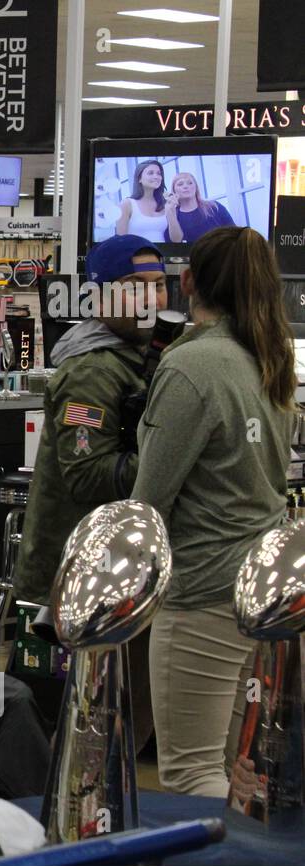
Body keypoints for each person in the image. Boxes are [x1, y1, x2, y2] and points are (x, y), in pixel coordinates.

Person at [133, 226, 295, 797]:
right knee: (235, 773)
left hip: (202, 590)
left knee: (191, 772)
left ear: (187, 283)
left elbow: (148, 502)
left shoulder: (192, 367)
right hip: (261, 589)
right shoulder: (270, 362)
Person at [12, 233, 168, 749]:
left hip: (106, 579)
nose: (152, 298)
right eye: (135, 287)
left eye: (159, 285)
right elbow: (86, 474)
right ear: (101, 298)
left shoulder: (136, 358)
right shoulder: (93, 370)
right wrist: (163, 460)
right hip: (69, 586)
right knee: (71, 742)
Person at [166, 172, 235, 244]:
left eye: (190, 183)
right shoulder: (173, 214)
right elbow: (174, 242)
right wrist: (171, 212)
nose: (186, 186)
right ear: (174, 191)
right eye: (180, 184)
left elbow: (234, 232)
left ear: (196, 187)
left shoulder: (214, 207)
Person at [115, 160, 170, 245]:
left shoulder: (165, 204)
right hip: (135, 255)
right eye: (150, 173)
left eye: (159, 173)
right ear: (139, 178)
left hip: (161, 255)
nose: (156, 176)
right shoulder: (127, 204)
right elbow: (120, 241)